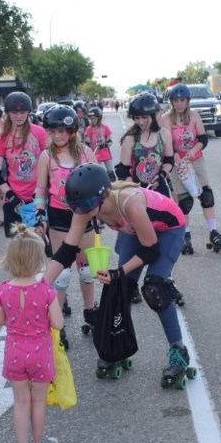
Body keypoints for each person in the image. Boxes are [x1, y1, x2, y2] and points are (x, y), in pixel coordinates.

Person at [43, 163, 193, 386]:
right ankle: (118, 346)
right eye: (76, 207)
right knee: (119, 289)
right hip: (135, 230)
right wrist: (40, 285)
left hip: (168, 229)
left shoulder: (129, 203)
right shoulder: (87, 207)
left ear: (102, 196)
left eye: (85, 206)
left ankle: (179, 350)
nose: (81, 212)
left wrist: (119, 271)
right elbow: (66, 252)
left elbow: (151, 249)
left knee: (155, 288)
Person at [0, 224, 64, 443]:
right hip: (40, 353)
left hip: (15, 352)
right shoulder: (45, 290)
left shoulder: (3, 289)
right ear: (39, 259)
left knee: (20, 401)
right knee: (39, 400)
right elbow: (58, 324)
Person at [35, 105, 98, 335]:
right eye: (53, 131)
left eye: (63, 130)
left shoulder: (85, 153)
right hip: (59, 217)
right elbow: (40, 190)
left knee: (87, 270)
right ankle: (57, 320)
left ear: (72, 130)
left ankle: (90, 312)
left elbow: (99, 184)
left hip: (84, 214)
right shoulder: (46, 156)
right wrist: (40, 214)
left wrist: (98, 210)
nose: (58, 135)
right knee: (61, 273)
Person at [160, 84, 221, 255]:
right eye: (176, 100)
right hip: (176, 163)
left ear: (187, 101)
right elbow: (165, 144)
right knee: (185, 201)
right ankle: (186, 234)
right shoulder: (166, 119)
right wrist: (177, 158)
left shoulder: (194, 116)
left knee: (206, 195)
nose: (179, 104)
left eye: (182, 100)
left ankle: (213, 231)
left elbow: (203, 139)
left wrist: (193, 151)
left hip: (195, 160)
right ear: (172, 102)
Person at [0, 91, 48, 238]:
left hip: (38, 200)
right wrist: (11, 196)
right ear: (8, 113)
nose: (18, 116)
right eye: (14, 112)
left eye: (22, 112)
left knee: (41, 246)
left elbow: (50, 164)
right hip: (14, 201)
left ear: (28, 112)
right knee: (17, 250)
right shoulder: (2, 136)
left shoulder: (39, 132)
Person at [116, 92, 174, 197]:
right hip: (136, 191)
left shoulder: (164, 134)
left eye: (144, 117)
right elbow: (123, 170)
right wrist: (133, 187)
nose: (140, 122)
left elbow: (169, 161)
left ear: (153, 115)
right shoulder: (130, 138)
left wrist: (161, 175)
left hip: (159, 187)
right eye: (137, 118)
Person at [84, 106, 115, 180]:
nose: (92, 120)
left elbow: (109, 140)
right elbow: (87, 142)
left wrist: (106, 144)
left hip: (105, 153)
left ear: (99, 118)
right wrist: (87, 145)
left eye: (94, 118)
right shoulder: (89, 129)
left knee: (111, 174)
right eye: (91, 119)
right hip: (95, 154)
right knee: (99, 174)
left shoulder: (105, 127)